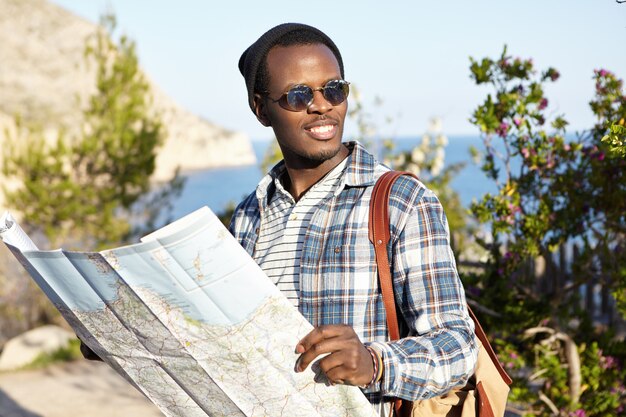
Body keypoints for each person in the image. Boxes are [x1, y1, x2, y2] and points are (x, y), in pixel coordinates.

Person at [232, 23, 478, 416]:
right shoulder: (249, 215)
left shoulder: (401, 202)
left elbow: (459, 347)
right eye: (298, 95)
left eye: (333, 89)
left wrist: (375, 363)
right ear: (262, 109)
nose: (322, 105)